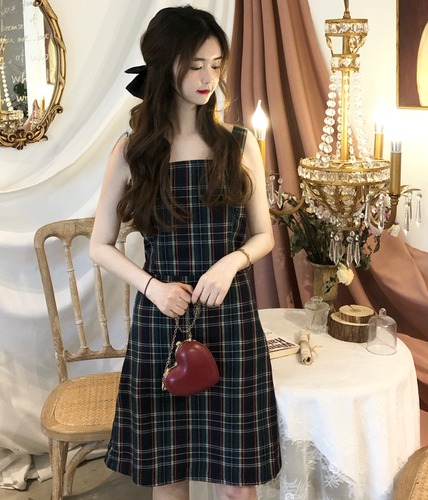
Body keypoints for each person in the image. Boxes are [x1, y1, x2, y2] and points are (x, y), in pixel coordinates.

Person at [89, 6, 280, 500]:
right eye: (195, 65)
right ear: (165, 66)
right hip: (163, 322)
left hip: (232, 320)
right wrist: (152, 288)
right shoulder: (132, 151)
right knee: (168, 478)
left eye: (215, 65)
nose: (208, 78)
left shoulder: (239, 144)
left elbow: (264, 236)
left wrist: (231, 262)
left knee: (240, 482)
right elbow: (99, 246)